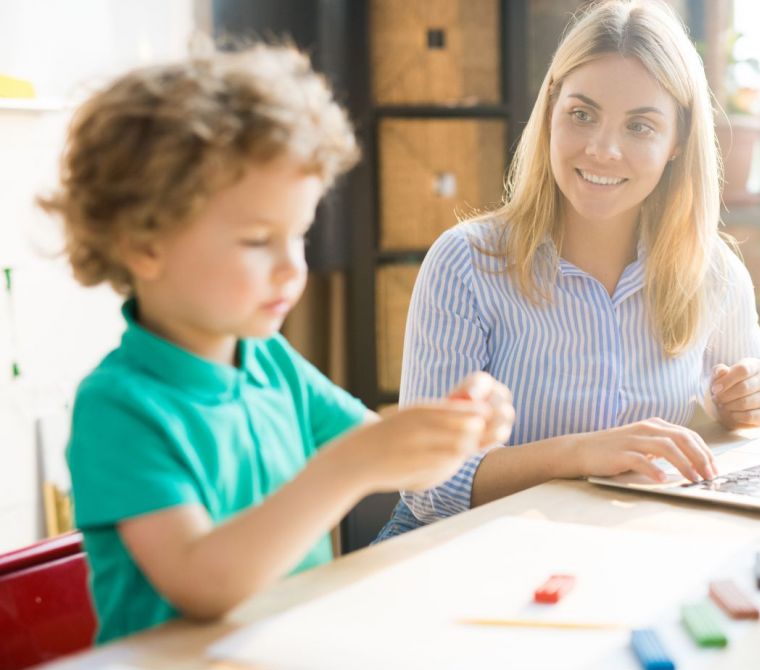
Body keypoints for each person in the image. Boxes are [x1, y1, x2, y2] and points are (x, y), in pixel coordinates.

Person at [39, 44, 514, 643]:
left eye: (300, 234)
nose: (294, 269)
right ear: (144, 245)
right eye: (259, 240)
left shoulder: (270, 363)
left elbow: (400, 467)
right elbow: (201, 583)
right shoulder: (119, 406)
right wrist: (346, 469)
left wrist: (457, 427)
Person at [376, 0, 760, 541]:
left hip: (614, 547)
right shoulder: (466, 262)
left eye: (640, 126)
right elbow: (428, 484)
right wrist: (586, 452)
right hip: (458, 549)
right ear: (551, 111)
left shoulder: (714, 272)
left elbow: (748, 422)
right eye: (582, 114)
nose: (603, 149)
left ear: (677, 141)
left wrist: (746, 406)